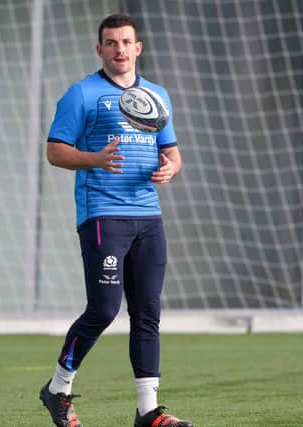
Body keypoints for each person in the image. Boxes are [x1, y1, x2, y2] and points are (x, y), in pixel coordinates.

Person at [38, 14, 193, 427]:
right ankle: (57, 388)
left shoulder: (157, 95)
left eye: (127, 42)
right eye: (111, 43)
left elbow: (172, 153)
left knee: (147, 312)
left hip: (149, 217)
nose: (120, 49)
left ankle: (148, 411)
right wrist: (94, 159)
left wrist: (170, 168)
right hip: (103, 214)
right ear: (100, 49)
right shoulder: (82, 94)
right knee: (104, 308)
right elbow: (55, 150)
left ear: (138, 47)